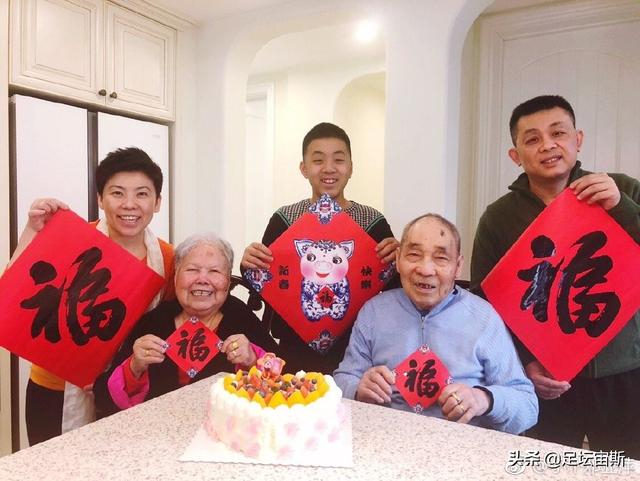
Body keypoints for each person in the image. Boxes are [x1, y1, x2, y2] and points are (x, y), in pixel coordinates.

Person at [470, 95, 640, 455]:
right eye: (532, 139)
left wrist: (621, 208)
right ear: (515, 155)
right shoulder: (498, 218)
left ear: (578, 139)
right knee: (548, 466)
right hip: (546, 377)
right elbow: (484, 304)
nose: (547, 145)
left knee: (625, 467)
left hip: (624, 369)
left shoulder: (621, 189)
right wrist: (524, 362)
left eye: (558, 133)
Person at [9, 147, 174, 445]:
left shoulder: (167, 258)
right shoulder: (72, 239)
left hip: (124, 391)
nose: (129, 204)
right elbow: (12, 295)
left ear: (157, 202)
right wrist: (32, 232)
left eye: (141, 194)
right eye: (117, 193)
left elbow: (174, 322)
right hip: (54, 388)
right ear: (100, 198)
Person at [334, 214, 537, 435]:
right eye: (414, 255)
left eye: (441, 258)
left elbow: (527, 406)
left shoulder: (484, 317)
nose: (425, 269)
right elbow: (341, 380)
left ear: (458, 266)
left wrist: (484, 398)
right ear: (398, 259)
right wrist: (358, 389)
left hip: (463, 445)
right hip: (385, 439)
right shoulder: (374, 312)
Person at [240, 122, 399, 374]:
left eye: (338, 160)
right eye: (318, 160)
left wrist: (400, 260)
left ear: (351, 168)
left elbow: (393, 287)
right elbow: (264, 284)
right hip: (293, 346)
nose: (329, 168)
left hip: (358, 348)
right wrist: (249, 263)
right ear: (304, 168)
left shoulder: (372, 221)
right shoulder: (284, 219)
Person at [94, 233, 279, 416]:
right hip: (157, 427)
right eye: (192, 270)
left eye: (214, 271)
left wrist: (252, 360)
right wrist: (134, 367)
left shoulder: (242, 319)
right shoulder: (153, 322)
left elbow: (285, 386)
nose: (202, 279)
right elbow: (102, 398)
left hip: (224, 429)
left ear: (228, 281)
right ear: (175, 277)